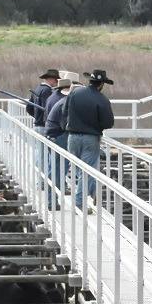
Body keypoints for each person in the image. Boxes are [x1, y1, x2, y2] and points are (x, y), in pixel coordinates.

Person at [56, 68, 115, 205]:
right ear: (101, 84)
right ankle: (79, 202)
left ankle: (94, 193)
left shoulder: (75, 93)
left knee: (78, 169)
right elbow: (108, 123)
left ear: (90, 81)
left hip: (72, 137)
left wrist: (67, 126)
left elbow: (64, 111)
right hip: (90, 139)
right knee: (87, 172)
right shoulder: (102, 100)